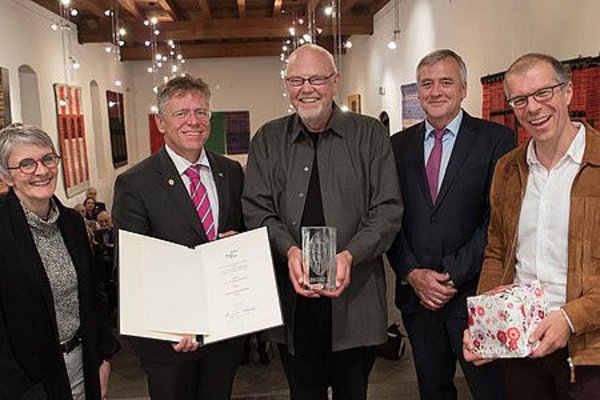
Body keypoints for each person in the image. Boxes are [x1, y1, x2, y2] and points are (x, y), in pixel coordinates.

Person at [242, 44, 403, 399]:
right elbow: (256, 209)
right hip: (294, 305)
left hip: (356, 300)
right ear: (287, 85)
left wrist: (349, 255)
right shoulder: (268, 140)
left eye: (316, 78)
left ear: (335, 82)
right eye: (296, 79)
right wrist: (289, 250)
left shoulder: (370, 135)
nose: (307, 87)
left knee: (353, 392)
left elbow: (388, 209)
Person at [463, 53, 600, 399]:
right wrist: (485, 322)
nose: (533, 108)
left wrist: (569, 319)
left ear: (568, 91)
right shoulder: (508, 169)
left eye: (543, 93)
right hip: (522, 345)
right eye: (520, 100)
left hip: (589, 351)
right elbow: (497, 252)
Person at [388, 49, 515, 400]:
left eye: (446, 82)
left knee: (491, 391)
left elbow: (498, 219)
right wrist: (413, 273)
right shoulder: (396, 147)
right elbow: (389, 217)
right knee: (433, 390)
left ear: (463, 88)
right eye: (426, 84)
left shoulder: (497, 141)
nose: (435, 91)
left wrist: (449, 275)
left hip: (474, 294)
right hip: (418, 299)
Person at [112, 74, 245, 400]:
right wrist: (172, 323)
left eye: (201, 112)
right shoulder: (135, 183)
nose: (193, 121)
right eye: (181, 113)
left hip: (222, 330)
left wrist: (238, 242)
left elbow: (242, 237)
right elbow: (132, 267)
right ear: (161, 123)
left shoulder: (231, 171)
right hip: (170, 339)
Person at [0, 123, 118, 399]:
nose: (41, 171)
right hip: (27, 381)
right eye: (26, 164)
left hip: (81, 365)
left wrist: (103, 356)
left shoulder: (72, 223)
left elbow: (93, 292)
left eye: (48, 159)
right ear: (7, 176)